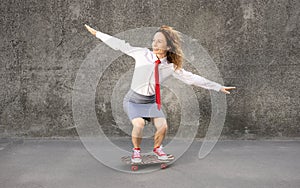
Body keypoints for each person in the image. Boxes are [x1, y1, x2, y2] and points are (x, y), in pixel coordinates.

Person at [85, 24, 236, 163]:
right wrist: (97, 33)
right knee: (138, 124)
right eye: (154, 40)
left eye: (159, 41)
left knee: (163, 126)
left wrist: (218, 87)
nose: (154, 44)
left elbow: (191, 78)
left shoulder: (170, 66)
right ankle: (136, 151)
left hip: (151, 102)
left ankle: (158, 149)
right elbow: (119, 45)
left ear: (168, 46)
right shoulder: (142, 54)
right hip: (133, 100)